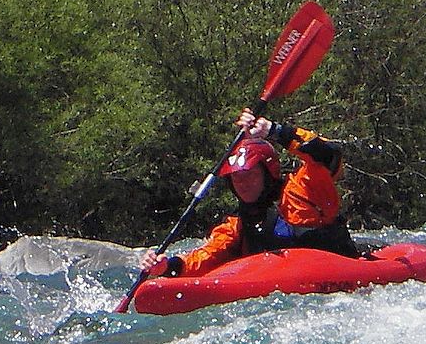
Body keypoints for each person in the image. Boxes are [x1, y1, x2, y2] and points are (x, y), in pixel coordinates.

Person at [140, 109, 360, 278]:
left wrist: (276, 131)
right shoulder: (237, 225)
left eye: (250, 175)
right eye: (237, 178)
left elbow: (328, 155)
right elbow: (206, 257)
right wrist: (167, 266)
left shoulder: (302, 189)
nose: (243, 184)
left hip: (339, 271)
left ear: (268, 173)